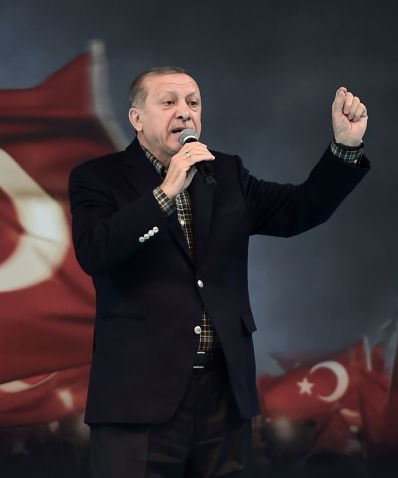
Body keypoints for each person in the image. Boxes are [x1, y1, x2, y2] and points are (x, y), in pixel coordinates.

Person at [68, 66, 369, 477]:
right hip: (137, 400)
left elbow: (301, 209)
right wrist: (164, 193)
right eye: (168, 102)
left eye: (193, 103)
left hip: (222, 397)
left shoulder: (225, 174)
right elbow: (95, 252)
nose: (184, 112)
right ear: (136, 118)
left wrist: (344, 149)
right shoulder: (97, 178)